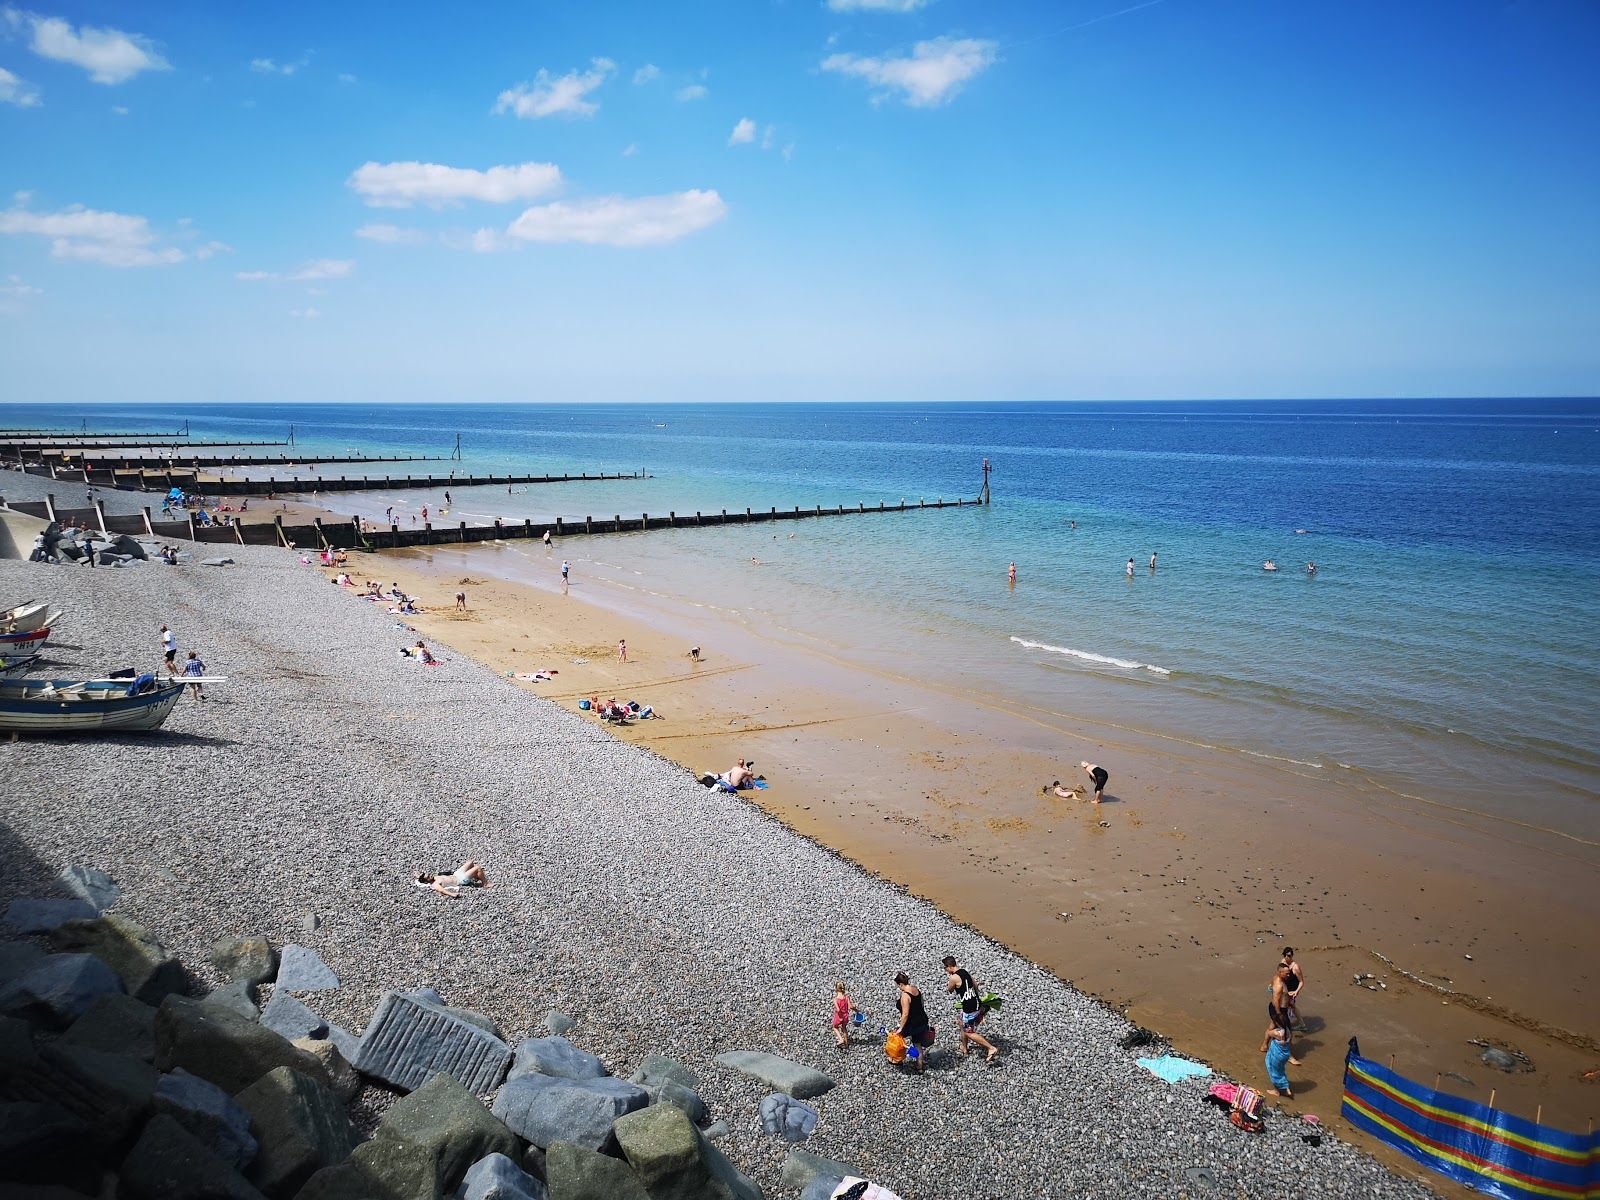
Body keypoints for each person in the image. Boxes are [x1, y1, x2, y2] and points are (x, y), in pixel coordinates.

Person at [943, 956, 999, 1062]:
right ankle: (964, 1047)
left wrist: (951, 984)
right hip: (976, 1003)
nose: (945, 970)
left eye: (945, 968)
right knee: (961, 1022)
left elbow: (950, 989)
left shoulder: (953, 977)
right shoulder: (964, 971)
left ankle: (991, 1048)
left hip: (969, 1008)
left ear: (949, 966)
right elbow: (975, 985)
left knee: (968, 1031)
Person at [893, 972, 931, 1071]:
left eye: (897, 985)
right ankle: (919, 1067)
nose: (898, 987)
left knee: (897, 1038)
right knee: (917, 1043)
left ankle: (897, 1060)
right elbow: (922, 1004)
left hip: (912, 1024)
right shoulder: (916, 989)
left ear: (900, 984)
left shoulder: (905, 996)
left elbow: (905, 1014)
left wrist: (900, 1028)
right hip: (922, 1021)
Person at [416, 861, 490, 898]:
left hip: (456, 874)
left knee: (470, 862)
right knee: (477, 868)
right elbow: (442, 890)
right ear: (427, 881)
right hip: (460, 880)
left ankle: (475, 876)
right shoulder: (435, 884)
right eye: (428, 877)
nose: (430, 875)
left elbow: (419, 877)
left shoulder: (435, 877)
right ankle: (485, 883)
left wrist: (418, 875)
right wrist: (452, 894)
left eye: (429, 874)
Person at [1261, 1019, 1294, 1098]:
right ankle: (1286, 1089)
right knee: (1280, 1070)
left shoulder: (1276, 1033)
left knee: (1274, 1071)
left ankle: (1277, 1091)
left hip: (1277, 1055)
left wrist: (1272, 1025)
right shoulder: (1288, 1031)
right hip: (1285, 1054)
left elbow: (1268, 1032)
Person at [831, 982, 862, 1049]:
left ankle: (841, 1039)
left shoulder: (835, 999)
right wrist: (857, 1011)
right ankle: (846, 1043)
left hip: (839, 1016)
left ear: (836, 989)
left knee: (835, 1027)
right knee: (844, 1028)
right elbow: (851, 1007)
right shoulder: (846, 997)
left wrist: (839, 1015)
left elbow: (838, 1009)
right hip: (846, 1016)